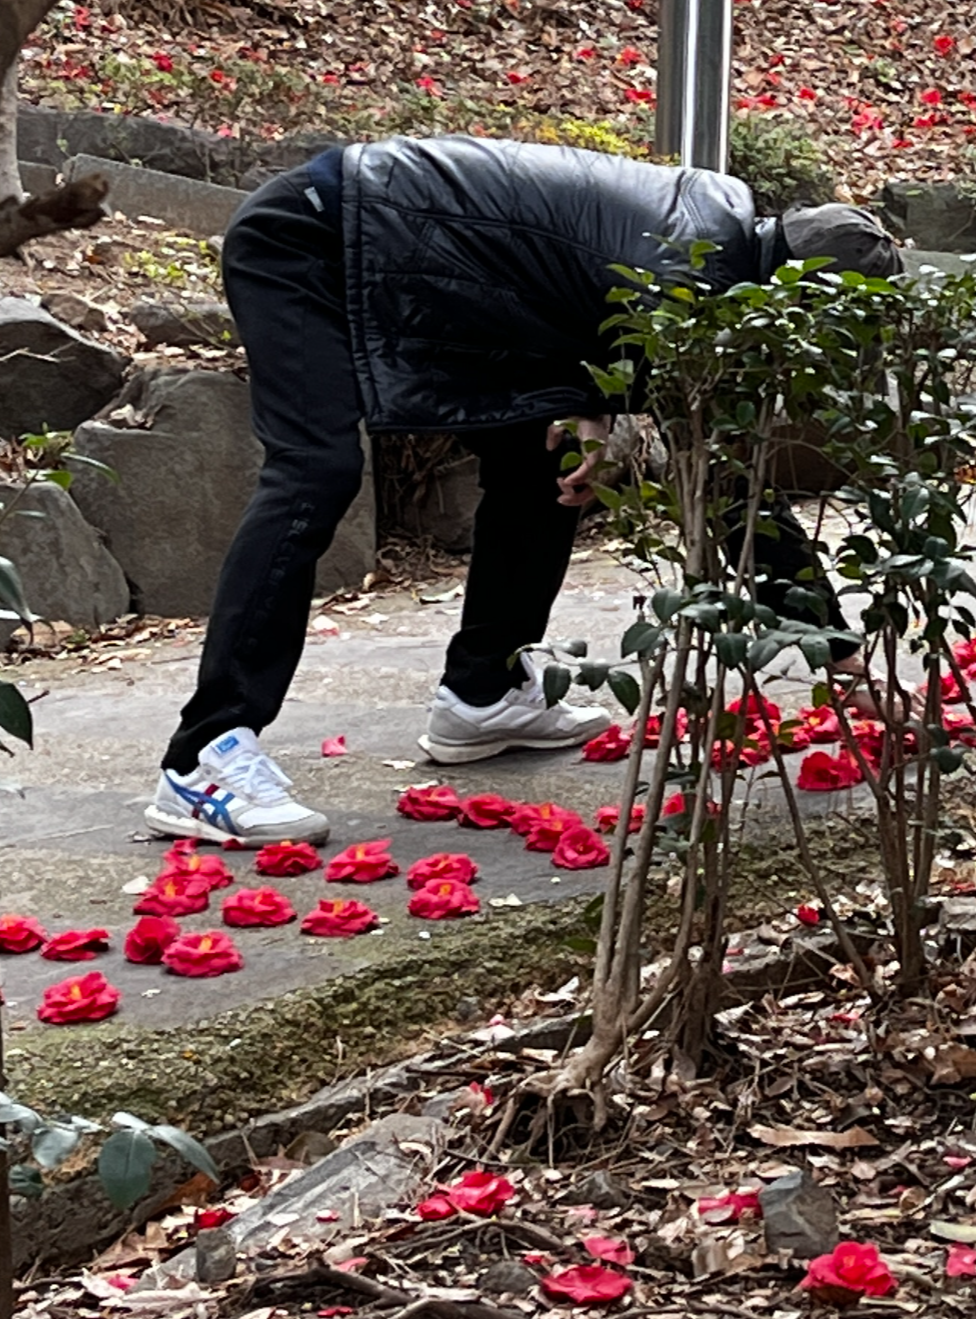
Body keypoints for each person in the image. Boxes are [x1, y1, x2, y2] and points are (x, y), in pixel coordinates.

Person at [148, 134, 902, 846]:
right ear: (798, 298)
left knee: (550, 465)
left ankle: (483, 693)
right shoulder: (696, 280)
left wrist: (591, 403)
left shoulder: (719, 224)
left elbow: (566, 275)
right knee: (315, 470)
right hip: (312, 239)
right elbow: (732, 497)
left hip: (418, 261)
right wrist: (840, 657)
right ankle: (203, 753)